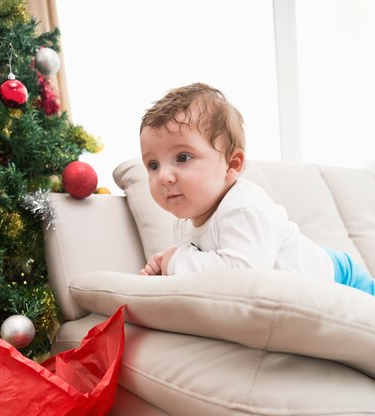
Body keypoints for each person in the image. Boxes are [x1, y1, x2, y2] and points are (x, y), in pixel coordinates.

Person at [139, 82, 375, 295]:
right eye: (153, 165)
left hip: (342, 279)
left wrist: (175, 261)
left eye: (182, 157)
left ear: (232, 165)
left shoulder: (244, 207)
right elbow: (203, 282)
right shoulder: (183, 224)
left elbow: (244, 275)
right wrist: (163, 271)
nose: (163, 177)